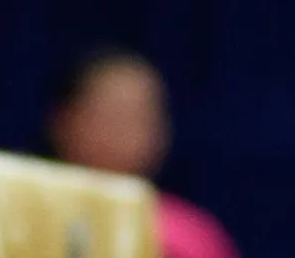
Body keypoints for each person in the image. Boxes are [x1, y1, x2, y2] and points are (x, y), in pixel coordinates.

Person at [48, 49, 240, 258]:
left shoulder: (190, 237)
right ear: (64, 120)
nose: (132, 131)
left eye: (145, 116)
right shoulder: (29, 217)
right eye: (116, 114)